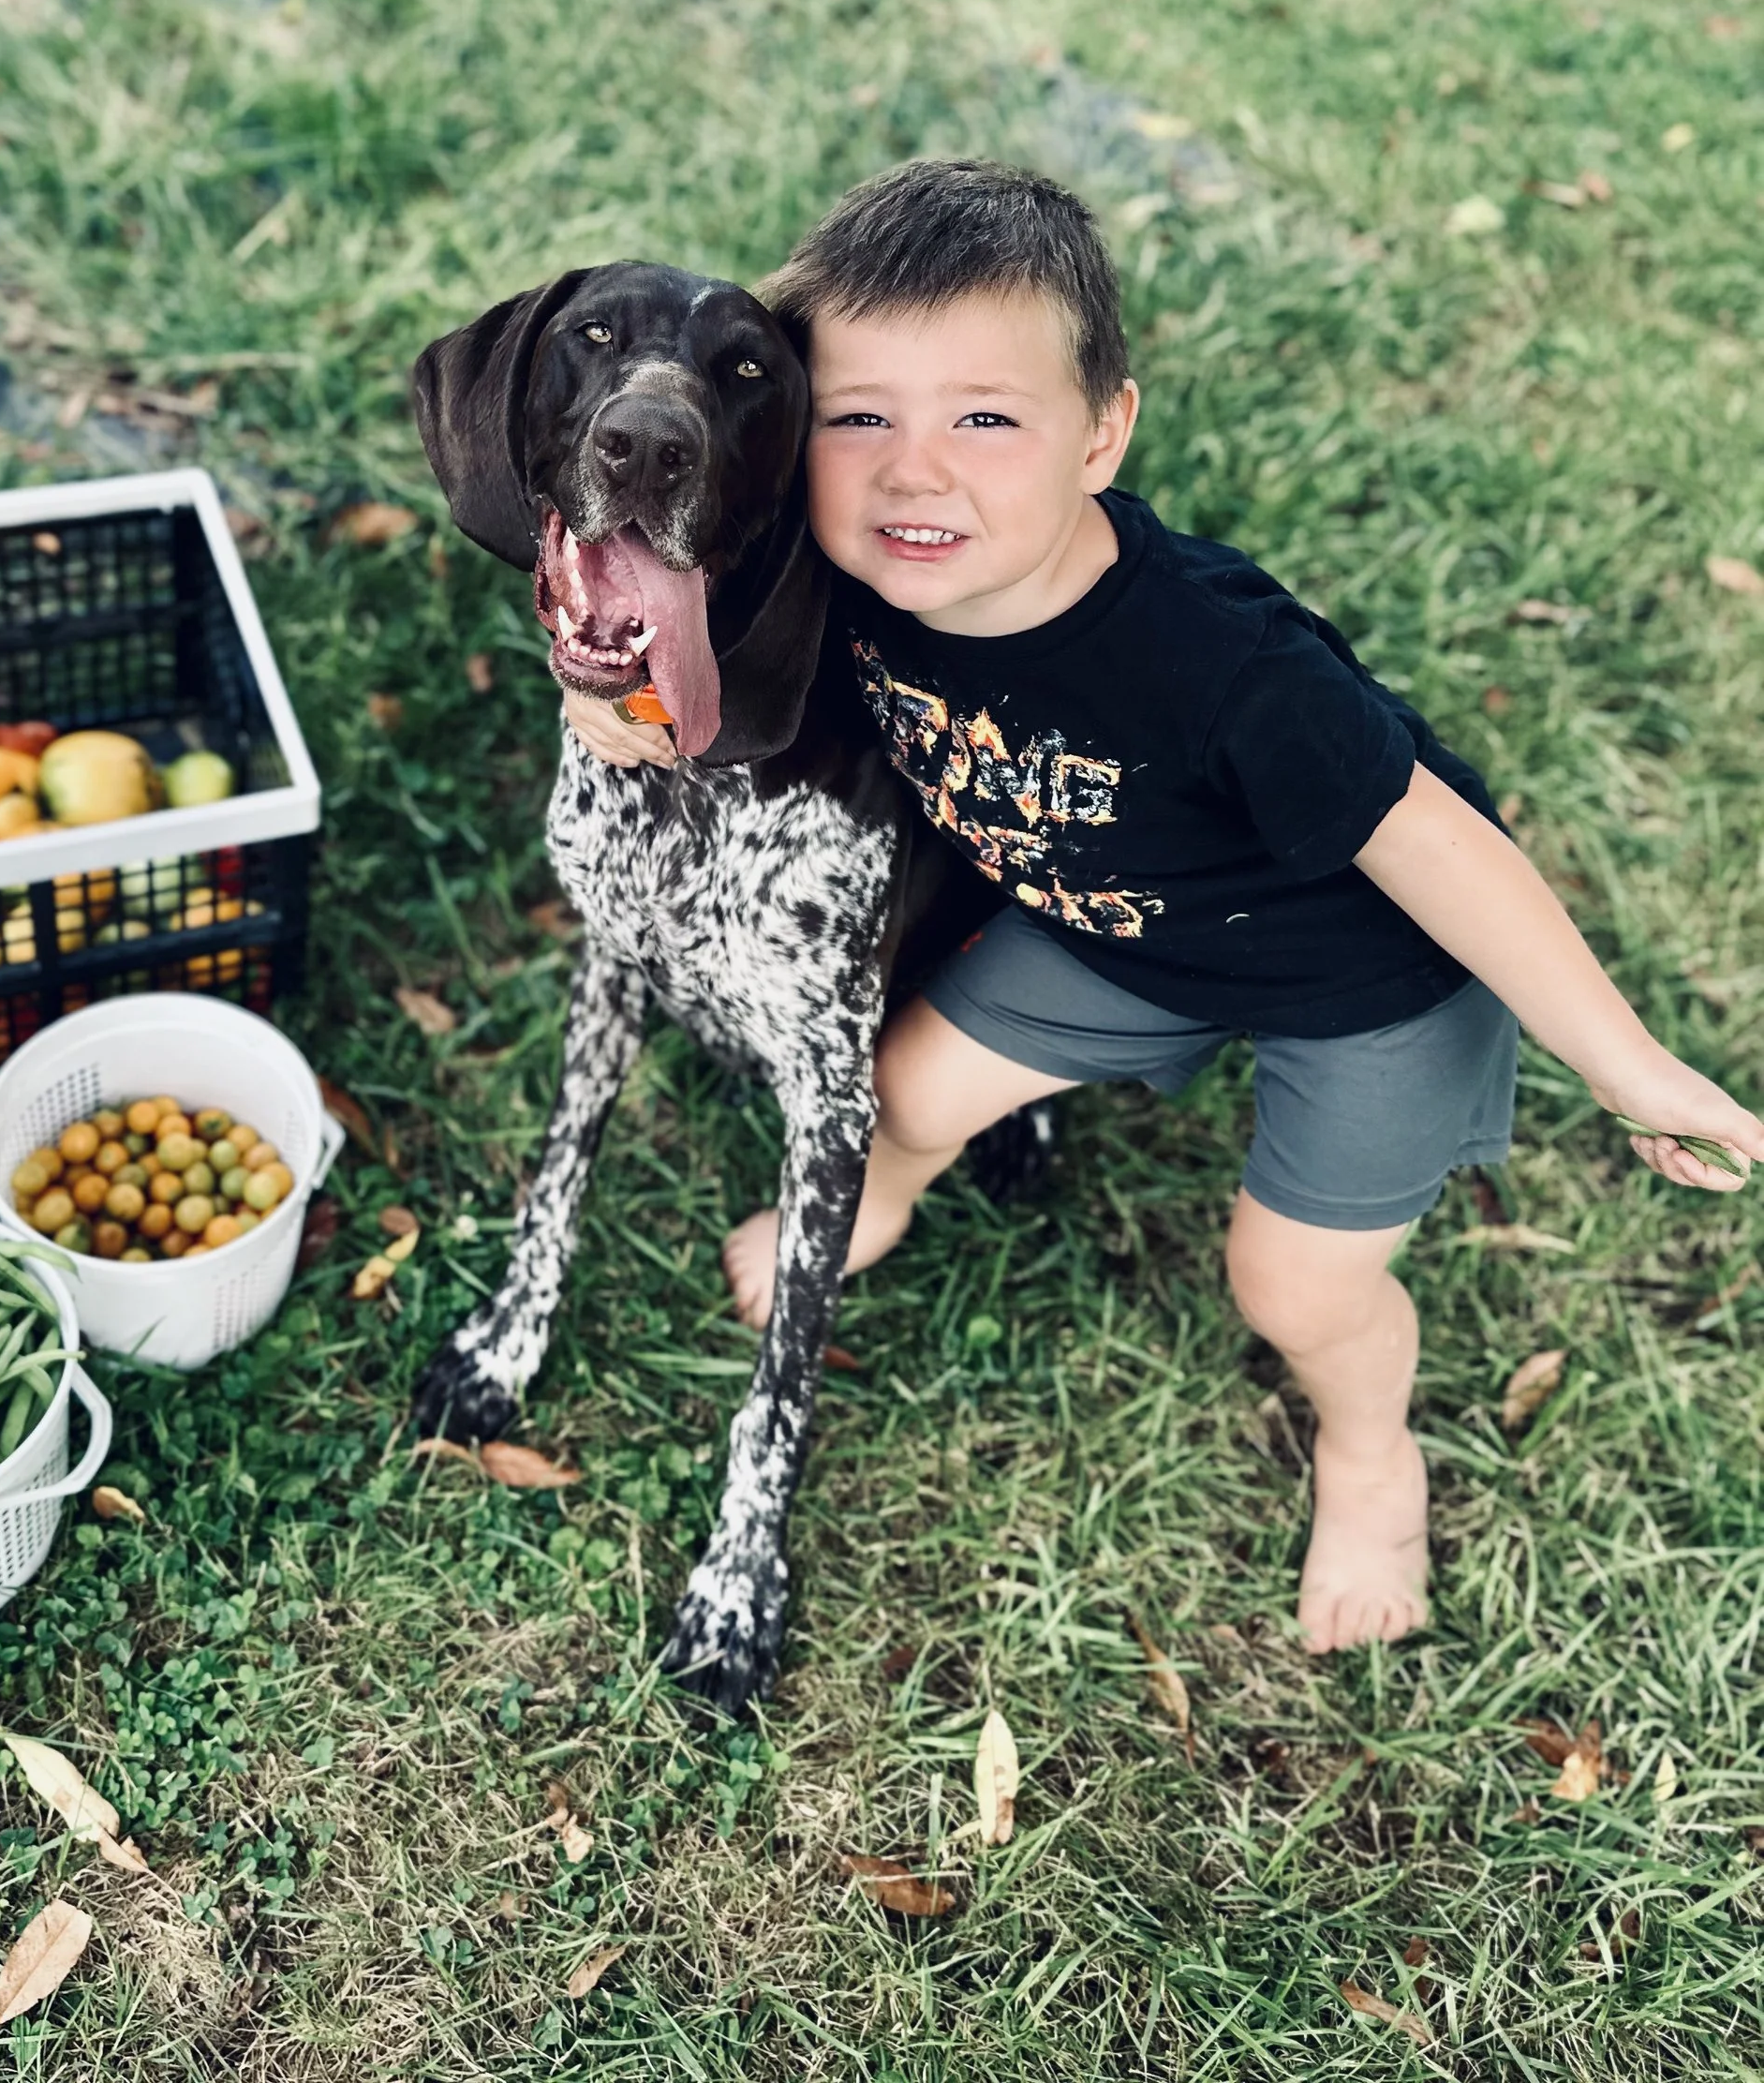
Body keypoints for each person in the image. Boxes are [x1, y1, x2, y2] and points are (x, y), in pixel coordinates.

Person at [563, 157, 1763, 1654]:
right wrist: (635, 699)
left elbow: (1440, 849)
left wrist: (1623, 1061)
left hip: (1363, 977)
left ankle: (1374, 1453)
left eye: (986, 418)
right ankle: (879, 1198)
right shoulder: (861, 563)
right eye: (859, 415)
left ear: (1103, 433)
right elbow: (669, 599)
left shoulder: (1221, 667)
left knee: (1292, 1284)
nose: (913, 472)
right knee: (901, 1097)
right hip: (1118, 927)